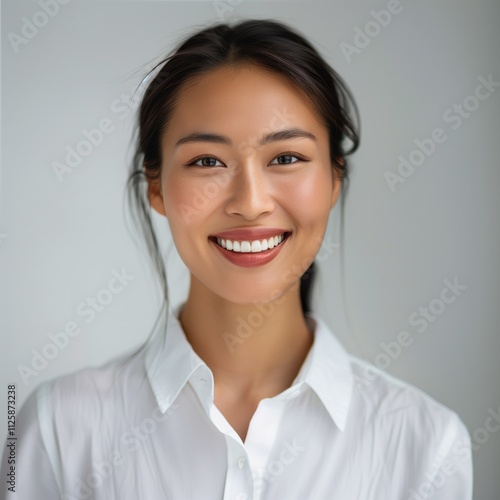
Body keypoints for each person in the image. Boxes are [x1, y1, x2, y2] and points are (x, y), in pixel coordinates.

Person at [1, 19, 473, 500]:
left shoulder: (426, 445)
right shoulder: (57, 428)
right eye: (207, 161)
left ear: (334, 177)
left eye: (286, 158)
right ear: (157, 186)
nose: (250, 203)